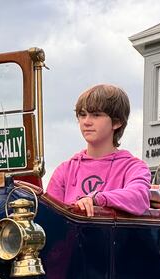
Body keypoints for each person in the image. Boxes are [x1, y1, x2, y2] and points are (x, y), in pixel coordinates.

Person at [46, 84, 150, 216]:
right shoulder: (65, 170)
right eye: (82, 115)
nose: (86, 122)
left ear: (117, 122)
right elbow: (49, 216)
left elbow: (139, 197)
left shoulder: (133, 167)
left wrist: (96, 199)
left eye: (96, 115)